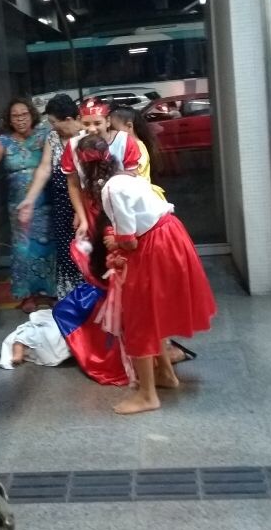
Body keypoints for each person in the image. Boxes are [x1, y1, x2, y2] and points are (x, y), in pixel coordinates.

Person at [76, 134, 216, 414]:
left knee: (139, 317)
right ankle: (165, 374)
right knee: (153, 313)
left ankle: (147, 395)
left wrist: (115, 246)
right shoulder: (128, 177)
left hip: (154, 246)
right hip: (170, 237)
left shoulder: (110, 191)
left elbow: (129, 241)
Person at [0, 97, 55, 309]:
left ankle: (51, 292)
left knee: (48, 245)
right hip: (18, 204)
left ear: (32, 115)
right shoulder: (4, 141)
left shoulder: (45, 135)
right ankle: (27, 295)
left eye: (24, 114)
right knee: (23, 249)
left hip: (45, 202)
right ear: (9, 119)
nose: (20, 119)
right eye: (15, 116)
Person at [18, 93, 86, 300]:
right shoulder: (53, 137)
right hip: (61, 205)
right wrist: (29, 199)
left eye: (54, 122)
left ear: (69, 119)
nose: (52, 126)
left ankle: (89, 298)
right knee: (66, 252)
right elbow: (44, 169)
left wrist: (81, 211)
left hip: (85, 204)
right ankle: (71, 300)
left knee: (86, 251)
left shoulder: (87, 137)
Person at [60, 97, 142, 241]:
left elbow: (134, 176)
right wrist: (82, 217)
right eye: (86, 123)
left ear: (108, 121)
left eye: (97, 123)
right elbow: (73, 185)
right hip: (91, 206)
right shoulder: (73, 146)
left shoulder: (124, 141)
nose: (92, 129)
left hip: (121, 204)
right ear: (79, 121)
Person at [110, 106, 166, 200]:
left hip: (141, 198)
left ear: (129, 126)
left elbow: (133, 175)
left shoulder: (137, 148)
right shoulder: (134, 145)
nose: (111, 133)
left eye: (113, 129)